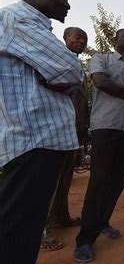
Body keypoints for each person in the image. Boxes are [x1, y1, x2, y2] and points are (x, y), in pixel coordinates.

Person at [0, 0, 83, 264]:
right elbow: (70, 71)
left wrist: (57, 77)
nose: (67, 5)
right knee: (18, 220)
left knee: (30, 219)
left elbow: (66, 75)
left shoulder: (35, 26)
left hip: (40, 137)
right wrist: (61, 76)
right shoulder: (18, 19)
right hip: (31, 137)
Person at [74, 28, 124, 263]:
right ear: (115, 40)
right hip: (105, 127)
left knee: (117, 181)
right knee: (99, 181)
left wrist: (115, 88)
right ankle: (85, 240)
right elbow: (99, 82)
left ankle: (103, 221)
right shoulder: (101, 58)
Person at [41, 27, 89, 252]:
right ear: (65, 38)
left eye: (85, 39)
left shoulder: (77, 65)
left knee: (65, 178)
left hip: (74, 134)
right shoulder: (57, 59)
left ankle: (61, 216)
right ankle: (43, 233)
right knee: (48, 182)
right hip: (56, 131)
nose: (82, 41)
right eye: (77, 37)